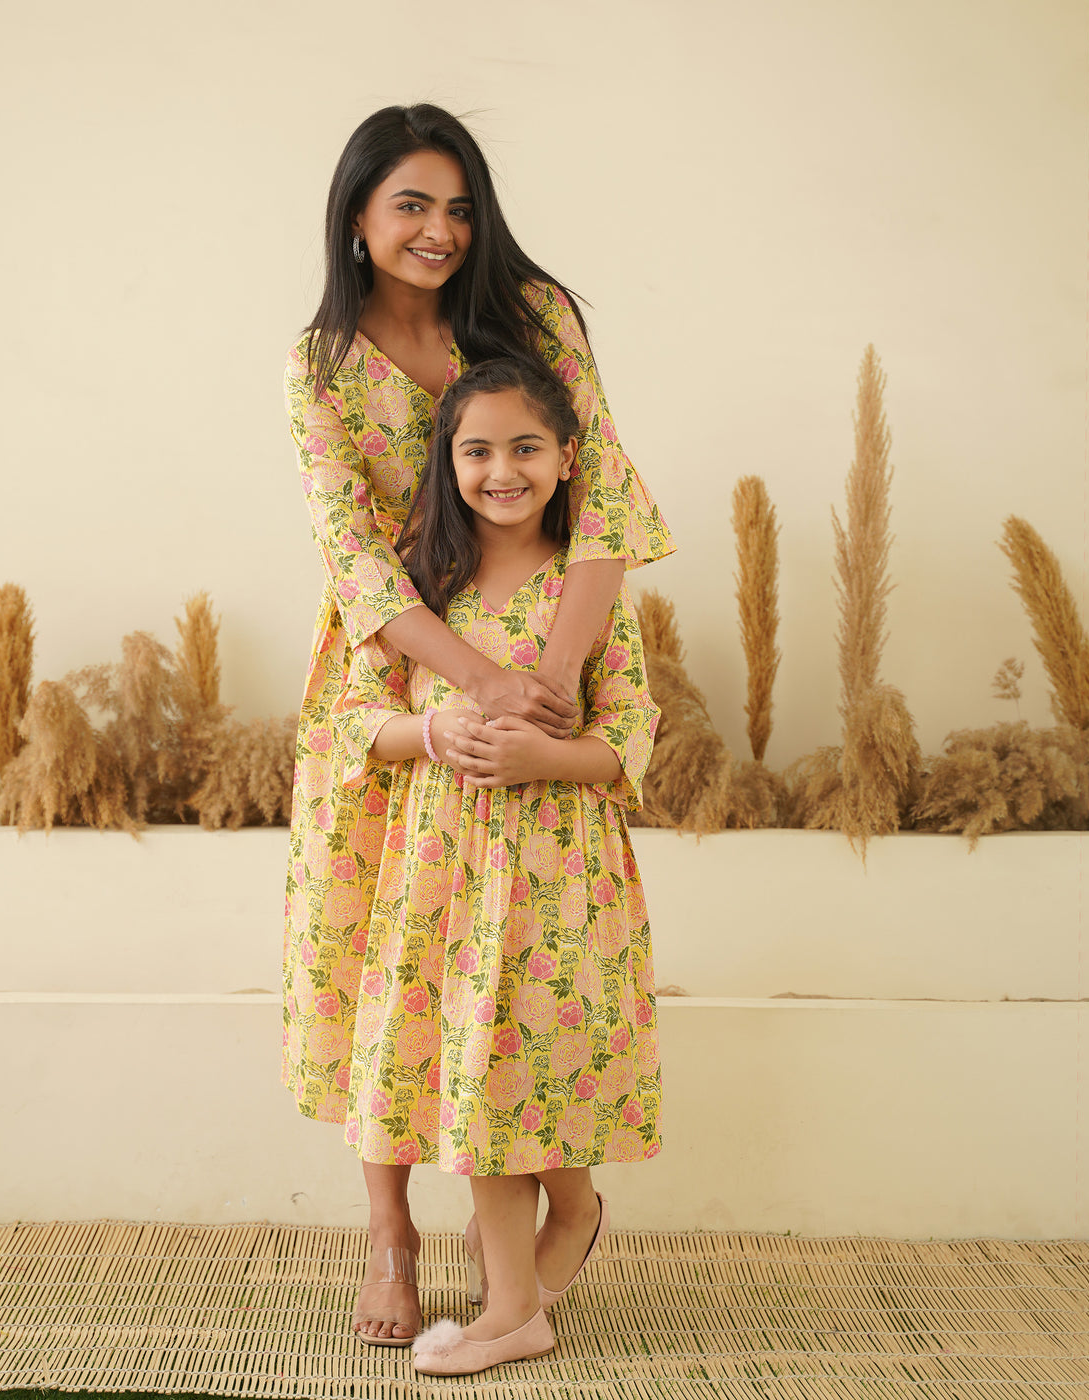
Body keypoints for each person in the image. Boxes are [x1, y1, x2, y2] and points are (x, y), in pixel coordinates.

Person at [282, 102, 674, 1345]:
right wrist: (461, 686)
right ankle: (390, 1231)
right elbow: (351, 553)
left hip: (538, 645)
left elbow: (604, 491)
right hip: (396, 662)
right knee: (379, 954)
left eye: (458, 205)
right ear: (355, 215)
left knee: (503, 968)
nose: (440, 230)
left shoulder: (534, 314)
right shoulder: (318, 363)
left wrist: (544, 682)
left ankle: (530, 1215)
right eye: (410, 204)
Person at [332, 356, 662, 1375]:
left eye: (525, 447)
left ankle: (517, 1300)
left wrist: (542, 757)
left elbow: (628, 736)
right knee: (481, 1071)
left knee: (523, 1063)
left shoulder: (586, 591)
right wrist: (431, 730)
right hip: (446, 878)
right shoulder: (418, 591)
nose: (501, 469)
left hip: (562, 877)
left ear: (568, 459)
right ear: (447, 458)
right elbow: (346, 722)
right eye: (476, 448)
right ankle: (533, 1271)